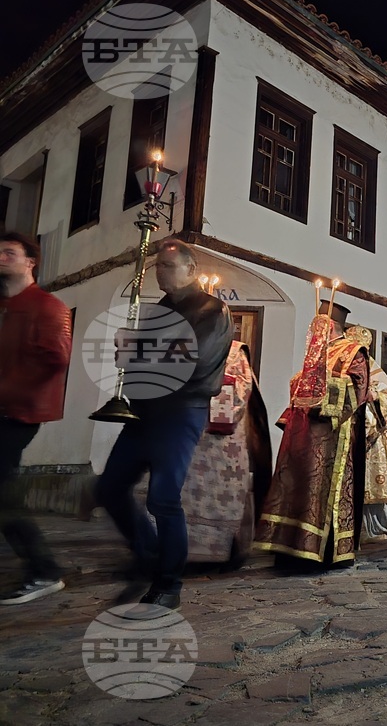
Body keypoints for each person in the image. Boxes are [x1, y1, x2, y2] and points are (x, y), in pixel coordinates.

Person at [95, 239, 233, 609]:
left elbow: (196, 363)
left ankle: (168, 584)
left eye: (168, 265)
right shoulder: (159, 309)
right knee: (109, 488)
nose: (160, 272)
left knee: (163, 498)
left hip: (181, 411)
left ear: (191, 269)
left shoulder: (212, 310)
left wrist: (138, 353)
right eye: (157, 266)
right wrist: (128, 351)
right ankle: (148, 554)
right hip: (143, 411)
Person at [136, 341, 272, 568]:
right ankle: (167, 548)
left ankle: (209, 551)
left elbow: (239, 395)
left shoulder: (233, 351)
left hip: (216, 442)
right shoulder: (174, 346)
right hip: (185, 434)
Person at [255, 302, 369, 570]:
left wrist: (322, 388)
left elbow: (359, 388)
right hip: (303, 432)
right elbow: (301, 388)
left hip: (331, 435)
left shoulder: (353, 351)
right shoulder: (317, 352)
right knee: (296, 486)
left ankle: (322, 552)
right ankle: (292, 548)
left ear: (330, 326)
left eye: (318, 325)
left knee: (320, 491)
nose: (313, 330)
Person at [0, 233, 72, 605]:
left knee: (3, 493)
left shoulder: (47, 306)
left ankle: (44, 571)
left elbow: (56, 358)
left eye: (9, 253)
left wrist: (7, 389)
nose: (1, 258)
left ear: (31, 262)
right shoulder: (6, 307)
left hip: (16, 412)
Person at [346, 325, 387, 541]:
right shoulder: (341, 366)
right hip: (350, 432)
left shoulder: (373, 368)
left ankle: (380, 526)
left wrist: (376, 397)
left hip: (374, 436)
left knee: (376, 480)